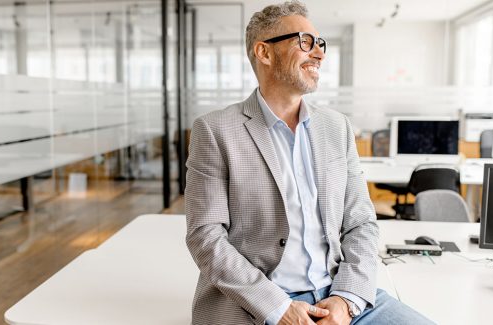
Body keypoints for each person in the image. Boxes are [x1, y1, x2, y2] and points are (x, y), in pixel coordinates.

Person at [185, 1, 434, 324]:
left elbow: (361, 223)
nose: (319, 53)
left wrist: (346, 299)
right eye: (305, 42)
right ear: (264, 52)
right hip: (259, 304)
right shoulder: (216, 130)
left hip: (337, 293)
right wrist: (279, 309)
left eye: (320, 44)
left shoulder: (336, 126)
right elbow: (205, 237)